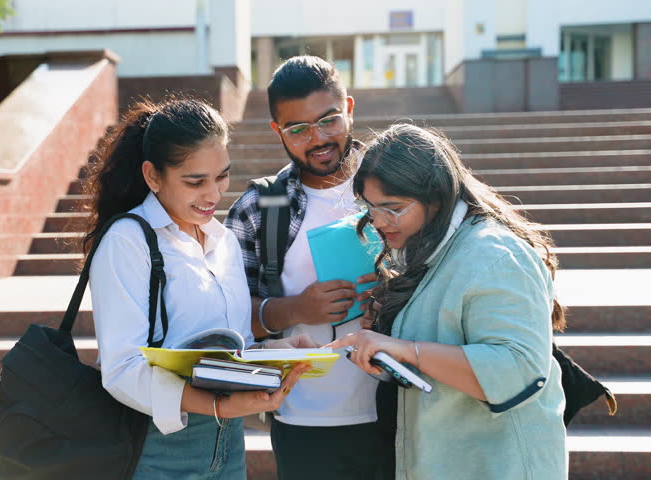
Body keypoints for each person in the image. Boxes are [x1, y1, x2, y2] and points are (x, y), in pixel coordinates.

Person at [84, 98, 313, 480]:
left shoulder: (221, 240)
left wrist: (272, 352)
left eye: (222, 176)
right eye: (195, 181)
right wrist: (219, 406)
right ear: (153, 176)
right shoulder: (128, 240)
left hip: (228, 442)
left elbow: (234, 346)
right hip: (157, 448)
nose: (214, 195)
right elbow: (121, 369)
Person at [329, 124, 568, 479]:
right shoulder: (433, 243)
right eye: (371, 207)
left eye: (392, 208)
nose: (378, 222)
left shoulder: (495, 254)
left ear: (436, 198)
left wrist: (406, 348)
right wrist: (390, 334)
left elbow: (518, 369)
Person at [225, 56, 393, 479]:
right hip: (304, 419)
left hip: (402, 410)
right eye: (297, 129)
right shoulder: (258, 210)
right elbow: (224, 317)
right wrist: (295, 309)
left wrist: (393, 301)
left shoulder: (400, 185)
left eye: (329, 121)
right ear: (277, 131)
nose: (317, 139)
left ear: (349, 108)